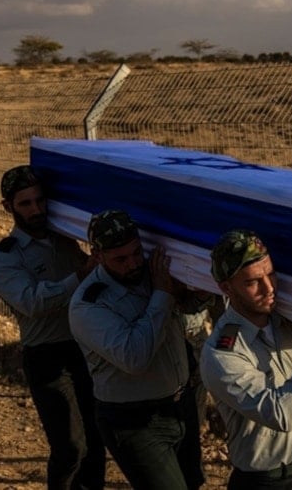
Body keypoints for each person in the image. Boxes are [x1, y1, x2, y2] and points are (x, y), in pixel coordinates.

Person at [0, 165, 106, 490]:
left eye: (40, 200)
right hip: (48, 358)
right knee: (70, 448)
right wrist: (80, 275)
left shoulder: (64, 238)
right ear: (8, 207)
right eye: (25, 203)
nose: (36, 210)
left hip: (85, 349)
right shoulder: (3, 259)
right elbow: (32, 303)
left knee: (96, 443)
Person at [68, 209, 209, 490]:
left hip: (180, 406)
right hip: (134, 422)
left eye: (136, 253)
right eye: (120, 259)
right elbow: (135, 357)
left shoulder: (149, 272)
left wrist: (197, 288)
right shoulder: (88, 305)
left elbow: (190, 306)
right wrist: (162, 294)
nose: (133, 264)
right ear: (97, 254)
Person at [201, 229, 292, 490]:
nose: (269, 288)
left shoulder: (290, 323)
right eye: (253, 282)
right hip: (269, 483)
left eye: (271, 274)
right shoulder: (223, 352)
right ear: (226, 288)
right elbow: (283, 415)